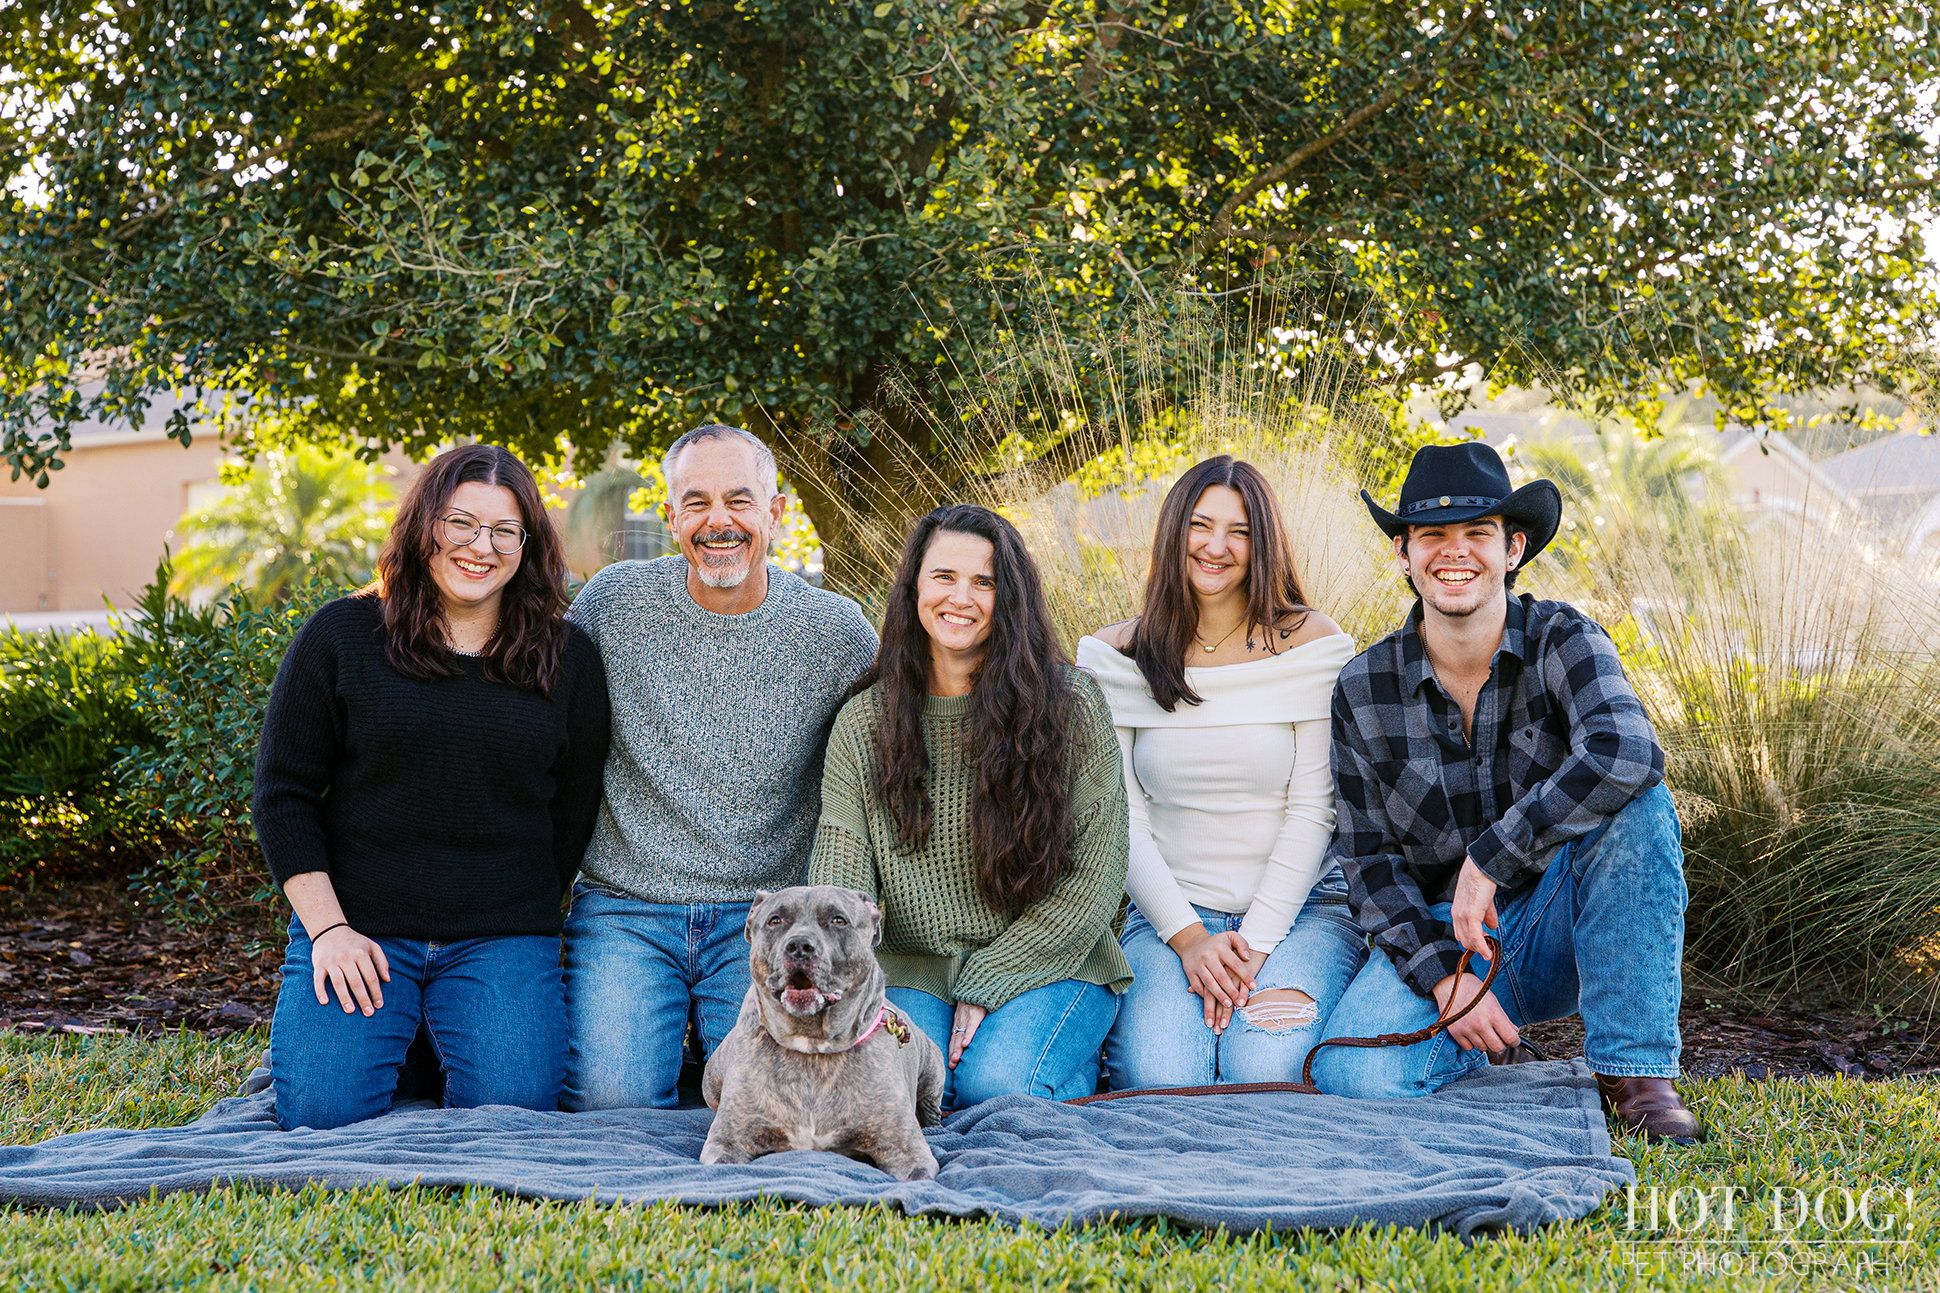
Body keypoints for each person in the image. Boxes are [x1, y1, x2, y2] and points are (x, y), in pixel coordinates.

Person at [1316, 442, 1701, 1142]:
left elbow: (1630, 750)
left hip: (1560, 920)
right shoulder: (1363, 687)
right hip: (1446, 935)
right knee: (1357, 1074)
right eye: (1431, 535)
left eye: (1477, 534)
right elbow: (1370, 866)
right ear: (1403, 553)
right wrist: (1443, 979)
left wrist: (1490, 858)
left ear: (1513, 547)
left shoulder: (1562, 638)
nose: (1453, 553)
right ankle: (1488, 1039)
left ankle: (1636, 1073)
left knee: (1641, 804)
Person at [254, 444, 611, 1131]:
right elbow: (283, 793)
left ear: (526, 545)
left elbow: (570, 813)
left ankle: (430, 1030)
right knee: (322, 1113)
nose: (482, 546)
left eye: (504, 531)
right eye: (461, 524)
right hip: (360, 927)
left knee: (514, 1112)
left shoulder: (569, 660)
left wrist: (515, 908)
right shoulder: (343, 634)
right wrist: (328, 929)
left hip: (501, 933)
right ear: (424, 527)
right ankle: (401, 1030)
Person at [561, 424, 879, 1111]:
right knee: (611, 1101)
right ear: (672, 516)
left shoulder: (836, 631)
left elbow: (884, 760)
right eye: (696, 502)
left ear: (775, 513)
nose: (719, 521)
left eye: (740, 499)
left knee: (776, 1103)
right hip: (628, 907)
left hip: (768, 914)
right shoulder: (611, 607)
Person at [807, 504, 1131, 1109]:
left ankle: (1073, 1070)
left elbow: (1096, 877)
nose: (962, 597)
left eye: (985, 582)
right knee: (903, 1094)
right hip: (910, 969)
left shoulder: (1071, 707)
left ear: (1011, 598)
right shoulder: (863, 723)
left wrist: (990, 978)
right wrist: (845, 982)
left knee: (997, 1088)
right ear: (914, 589)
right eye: (944, 577)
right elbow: (839, 887)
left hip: (1052, 957)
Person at [1077, 456, 1363, 1089]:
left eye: (1240, 531)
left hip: (1303, 912)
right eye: (1200, 526)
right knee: (1160, 1075)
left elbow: (1314, 810)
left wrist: (1253, 947)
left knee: (1265, 1065)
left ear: (1264, 545)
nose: (1216, 547)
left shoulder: (1311, 646)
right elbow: (1119, 818)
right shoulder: (1114, 658)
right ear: (1173, 532)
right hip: (1170, 915)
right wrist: (1191, 940)